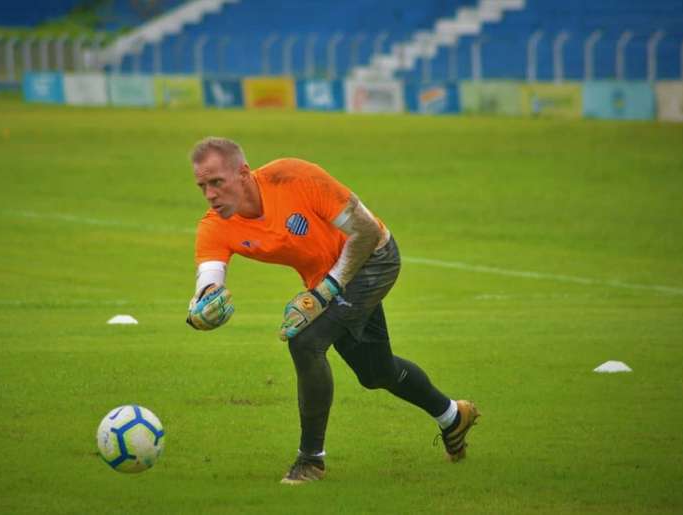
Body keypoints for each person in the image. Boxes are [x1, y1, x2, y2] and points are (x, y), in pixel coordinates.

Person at [186, 137, 479, 485]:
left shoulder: (293, 177)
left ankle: (311, 460)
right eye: (202, 186)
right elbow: (209, 277)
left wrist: (326, 290)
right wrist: (201, 306)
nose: (210, 194)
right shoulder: (215, 224)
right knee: (375, 373)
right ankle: (452, 416)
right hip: (330, 280)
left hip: (373, 260)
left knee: (305, 341)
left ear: (244, 174)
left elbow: (367, 232)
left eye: (217, 182)